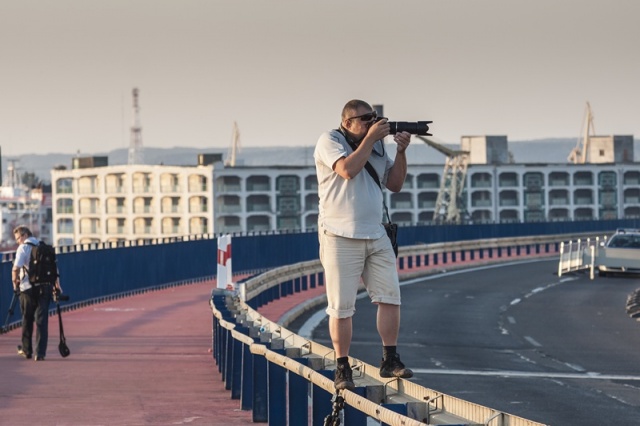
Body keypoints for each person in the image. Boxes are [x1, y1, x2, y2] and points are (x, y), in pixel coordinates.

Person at [314, 99, 414, 391]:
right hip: (338, 235)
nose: (372, 123)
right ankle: (342, 365)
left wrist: (401, 150)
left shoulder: (378, 146)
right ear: (347, 123)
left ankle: (390, 358)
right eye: (366, 119)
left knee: (391, 297)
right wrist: (371, 139)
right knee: (342, 307)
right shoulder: (329, 140)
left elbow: (394, 184)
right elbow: (347, 170)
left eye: (375, 118)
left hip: (375, 234)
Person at [11, 225, 59, 361]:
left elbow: (16, 269)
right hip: (45, 288)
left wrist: (15, 283)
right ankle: (40, 353)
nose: (17, 241)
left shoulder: (23, 248)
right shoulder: (44, 247)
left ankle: (27, 350)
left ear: (25, 235)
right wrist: (57, 286)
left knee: (27, 319)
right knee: (42, 321)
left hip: (27, 289)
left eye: (18, 238)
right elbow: (55, 269)